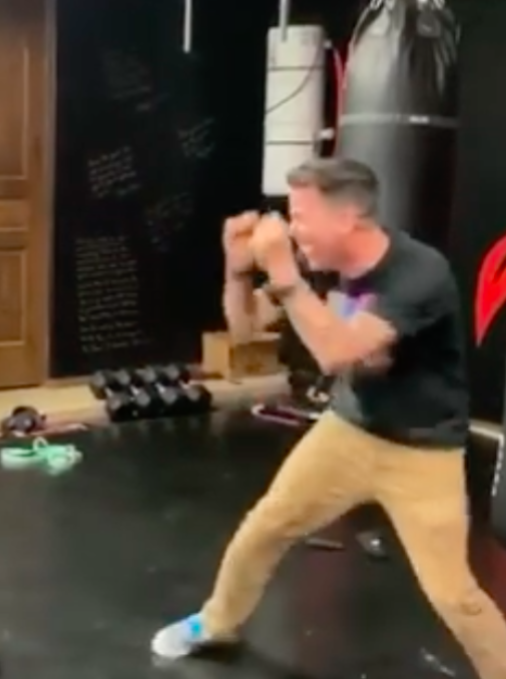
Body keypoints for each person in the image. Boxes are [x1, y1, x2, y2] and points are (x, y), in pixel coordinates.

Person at [151, 157, 506, 679]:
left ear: (348, 218)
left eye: (301, 216)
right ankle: (216, 622)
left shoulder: (418, 274)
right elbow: (246, 329)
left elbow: (338, 352)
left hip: (423, 451)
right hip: (348, 431)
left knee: (453, 593)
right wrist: (237, 269)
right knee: (264, 528)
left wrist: (288, 276)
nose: (293, 229)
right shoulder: (320, 262)